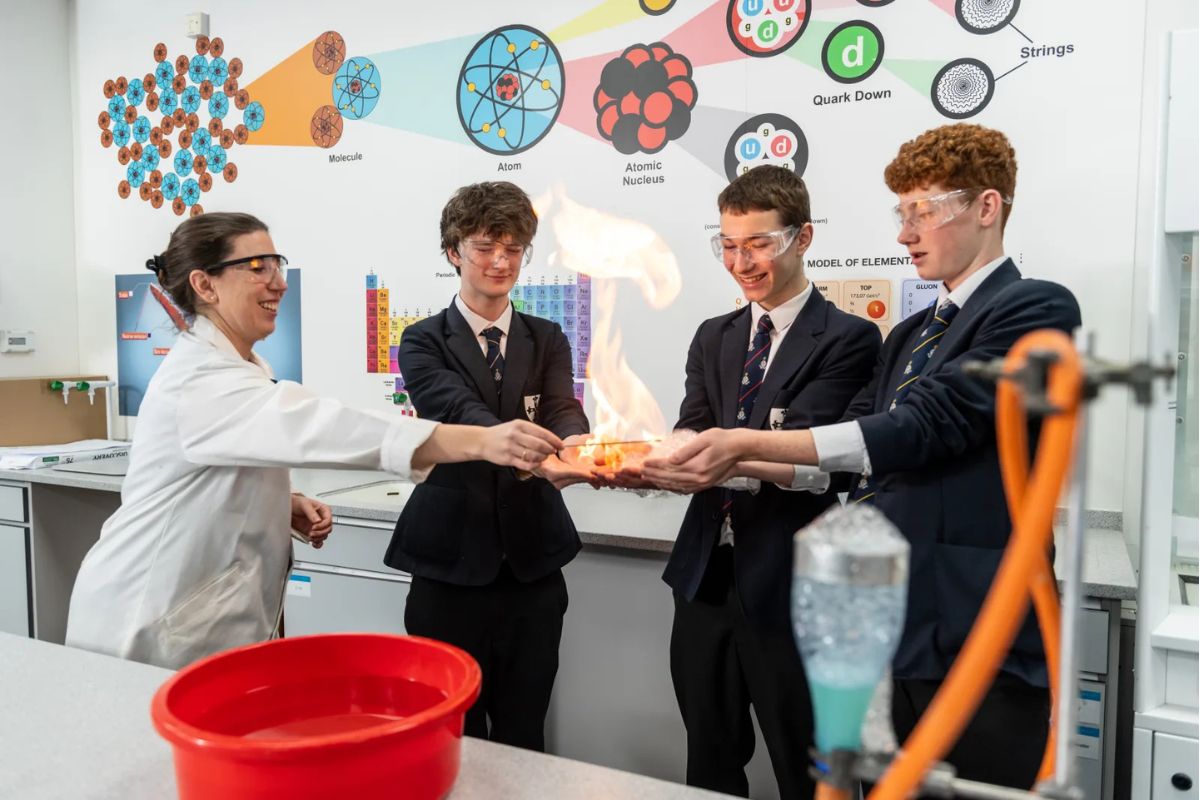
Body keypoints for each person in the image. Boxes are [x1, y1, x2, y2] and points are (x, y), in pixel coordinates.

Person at [645, 124, 1083, 791]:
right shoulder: (909, 334)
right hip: (893, 628)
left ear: (987, 208)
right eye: (902, 215)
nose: (906, 234)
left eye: (924, 212)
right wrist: (692, 458)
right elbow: (853, 456)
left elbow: (921, 426)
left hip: (978, 628)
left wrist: (741, 444)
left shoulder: (1034, 307)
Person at [65, 212, 559, 671]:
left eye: (277, 264)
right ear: (204, 284)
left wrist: (276, 501)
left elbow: (221, 468)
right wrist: (484, 442)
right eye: (257, 267)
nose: (279, 282)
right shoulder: (202, 381)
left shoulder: (236, 369)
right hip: (148, 621)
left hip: (192, 617)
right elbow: (323, 426)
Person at [660, 165, 880, 798]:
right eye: (728, 244)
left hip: (793, 590)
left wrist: (720, 455)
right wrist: (654, 459)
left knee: (806, 768)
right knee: (708, 759)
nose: (741, 261)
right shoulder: (715, 337)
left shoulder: (849, 339)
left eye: (759, 243)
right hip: (704, 581)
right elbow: (692, 427)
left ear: (803, 237)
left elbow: (817, 458)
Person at [383, 182, 592, 752]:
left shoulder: (546, 337)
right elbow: (455, 410)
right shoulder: (422, 340)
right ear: (453, 251)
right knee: (452, 732)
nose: (500, 261)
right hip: (451, 566)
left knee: (525, 729)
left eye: (513, 248)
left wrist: (577, 445)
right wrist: (515, 444)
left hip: (533, 567)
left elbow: (562, 407)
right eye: (483, 247)